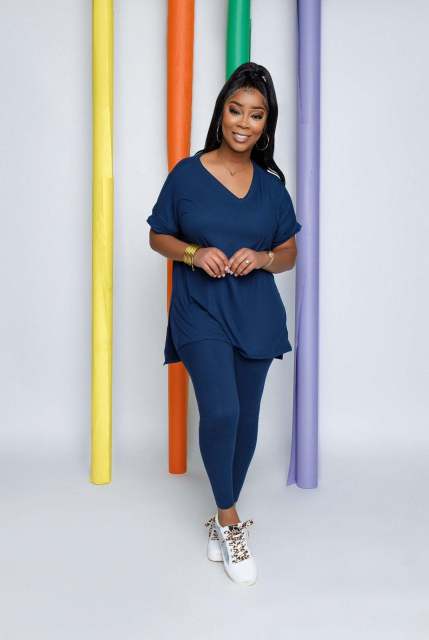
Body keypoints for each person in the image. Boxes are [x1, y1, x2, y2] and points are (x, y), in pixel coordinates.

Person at [146, 62, 302, 586]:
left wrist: (263, 258)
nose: (244, 123)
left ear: (266, 124)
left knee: (246, 419)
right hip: (200, 309)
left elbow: (289, 253)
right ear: (221, 114)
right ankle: (230, 520)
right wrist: (193, 253)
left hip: (255, 312)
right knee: (222, 410)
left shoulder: (272, 188)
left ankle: (220, 512)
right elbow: (158, 236)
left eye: (256, 115)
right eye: (236, 110)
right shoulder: (186, 175)